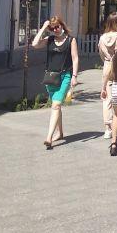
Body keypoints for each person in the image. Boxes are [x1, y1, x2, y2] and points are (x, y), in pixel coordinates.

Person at [32, 16, 79, 150]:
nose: (55, 30)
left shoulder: (71, 40)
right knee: (55, 106)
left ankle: (49, 138)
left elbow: (75, 59)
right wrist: (43, 28)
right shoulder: (50, 40)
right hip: (50, 77)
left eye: (57, 26)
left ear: (62, 25)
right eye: (52, 28)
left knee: (56, 105)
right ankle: (60, 132)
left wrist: (74, 76)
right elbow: (35, 44)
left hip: (64, 76)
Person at [98, 12, 117, 139]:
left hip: (107, 66)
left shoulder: (102, 38)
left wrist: (107, 60)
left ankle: (107, 128)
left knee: (106, 97)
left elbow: (101, 55)